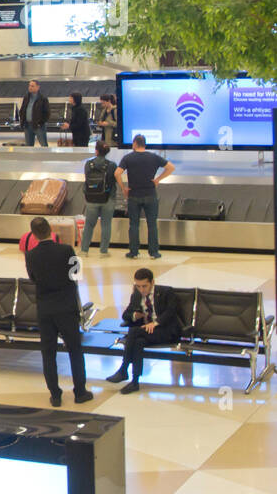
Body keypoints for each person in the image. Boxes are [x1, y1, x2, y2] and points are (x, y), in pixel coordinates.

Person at [24, 216, 93, 406]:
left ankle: (55, 395)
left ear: (34, 234)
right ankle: (80, 392)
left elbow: (33, 278)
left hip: (45, 308)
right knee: (74, 350)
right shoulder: (66, 250)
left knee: (48, 353)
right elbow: (77, 274)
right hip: (66, 307)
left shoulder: (30, 255)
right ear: (50, 229)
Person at [107, 268, 182, 394]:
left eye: (144, 286)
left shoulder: (166, 292)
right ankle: (135, 382)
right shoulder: (136, 295)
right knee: (138, 342)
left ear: (152, 282)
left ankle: (123, 369)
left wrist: (156, 323)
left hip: (167, 331)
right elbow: (126, 315)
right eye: (138, 286)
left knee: (134, 332)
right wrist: (134, 315)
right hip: (147, 333)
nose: (141, 290)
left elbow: (171, 311)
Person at [117, 134, 174, 259]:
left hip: (133, 195)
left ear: (135, 144)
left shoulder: (128, 158)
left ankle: (133, 252)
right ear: (144, 144)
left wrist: (123, 188)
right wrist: (158, 179)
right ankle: (154, 252)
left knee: (134, 225)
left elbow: (117, 173)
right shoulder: (153, 157)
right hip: (150, 194)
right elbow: (171, 167)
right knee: (152, 224)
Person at [80, 140, 118, 256]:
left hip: (91, 198)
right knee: (106, 224)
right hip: (108, 198)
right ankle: (103, 251)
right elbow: (114, 181)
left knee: (89, 225)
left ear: (96, 151)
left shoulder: (88, 164)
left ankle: (84, 250)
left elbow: (87, 178)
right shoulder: (112, 165)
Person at [21, 80, 50, 147]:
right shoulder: (26, 97)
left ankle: (46, 157)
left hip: (38, 126)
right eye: (29, 85)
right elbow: (22, 110)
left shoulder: (43, 98)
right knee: (29, 146)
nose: (30, 87)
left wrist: (41, 123)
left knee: (43, 145)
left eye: (32, 86)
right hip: (27, 125)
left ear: (37, 87)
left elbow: (47, 113)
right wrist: (22, 121)